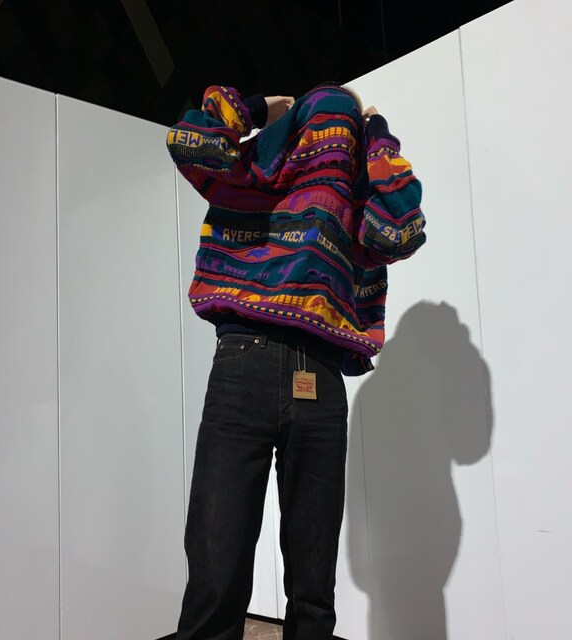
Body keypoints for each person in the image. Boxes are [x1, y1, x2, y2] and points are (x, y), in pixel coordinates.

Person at [166, 82, 426, 640]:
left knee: (300, 587)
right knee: (223, 576)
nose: (333, 142)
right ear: (298, 125)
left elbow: (401, 228)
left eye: (346, 129)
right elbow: (191, 141)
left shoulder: (354, 203)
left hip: (304, 374)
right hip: (254, 364)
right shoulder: (258, 166)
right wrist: (264, 110)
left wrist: (376, 132)